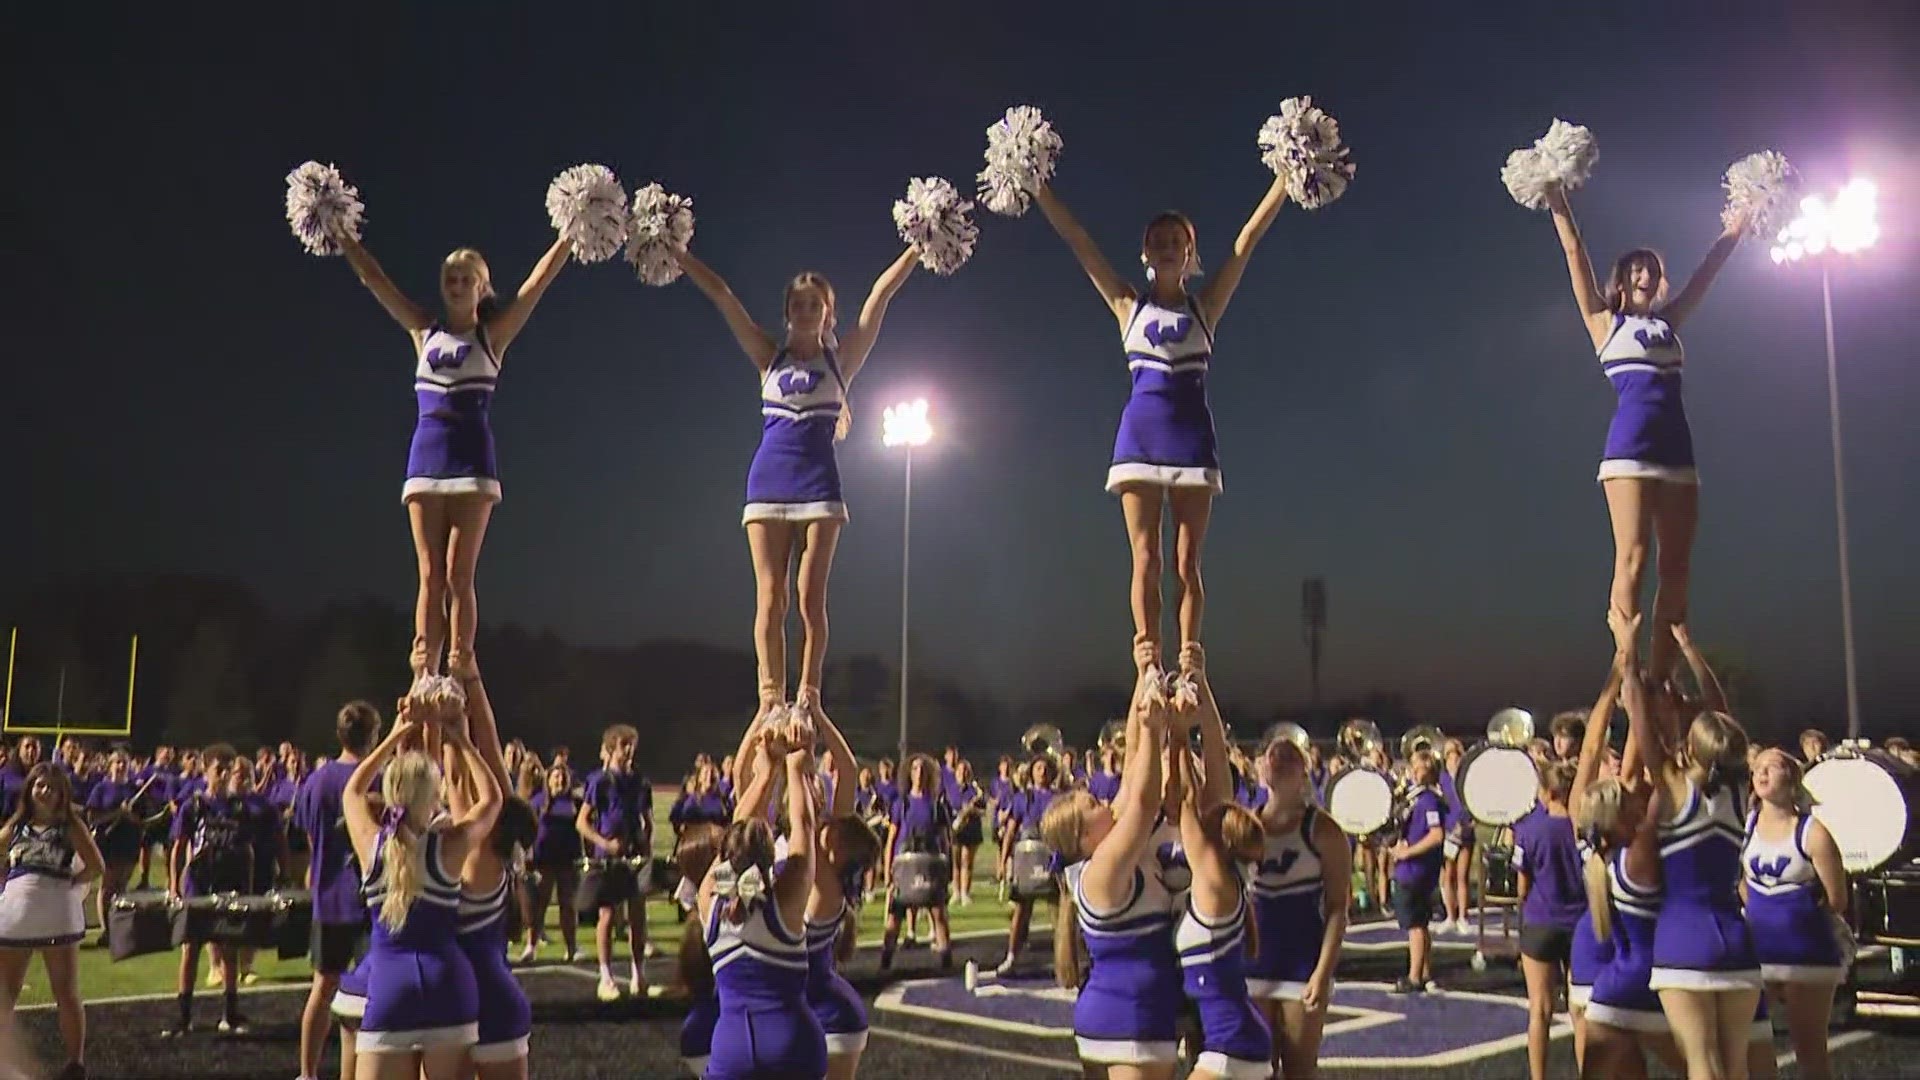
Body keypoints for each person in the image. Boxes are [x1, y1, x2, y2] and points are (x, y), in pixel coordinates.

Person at [1031, 177, 1289, 681]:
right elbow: (1079, 240)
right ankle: (1148, 658)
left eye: (1177, 241)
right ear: (1146, 252)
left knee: (1187, 563)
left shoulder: (1205, 306)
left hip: (1192, 438)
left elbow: (1248, 239)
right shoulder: (1128, 305)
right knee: (1145, 557)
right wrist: (1039, 189)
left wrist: (1285, 177)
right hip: (1139, 439)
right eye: (1159, 241)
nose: (1168, 247)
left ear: (1190, 252)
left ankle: (1190, 661)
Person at [673, 243, 922, 720]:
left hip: (819, 489)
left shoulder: (841, 361)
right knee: (771, 596)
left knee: (810, 598)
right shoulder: (768, 356)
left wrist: (917, 245)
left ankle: (807, 696)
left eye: (816, 304)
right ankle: (770, 698)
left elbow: (880, 296)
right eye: (799, 303)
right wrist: (679, 255)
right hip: (766, 485)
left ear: (828, 315)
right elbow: (723, 295)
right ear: (787, 312)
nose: (807, 310)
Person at [335, 232, 572, 680]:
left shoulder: (492, 336)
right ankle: (425, 663)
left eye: (466, 279)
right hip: (425, 463)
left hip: (472, 465)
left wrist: (569, 235)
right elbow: (376, 281)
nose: (457, 285)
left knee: (459, 573)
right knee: (430, 575)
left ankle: (461, 662)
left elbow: (536, 285)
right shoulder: (423, 331)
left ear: (482, 288)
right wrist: (343, 235)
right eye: (451, 278)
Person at [1541, 184, 1750, 680]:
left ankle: (1659, 678)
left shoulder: (1669, 322)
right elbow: (1574, 248)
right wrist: (1555, 195)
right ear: (1621, 278)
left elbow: (1707, 272)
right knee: (1633, 559)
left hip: (1678, 448)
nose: (1644, 273)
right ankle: (1626, 668)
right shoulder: (1602, 321)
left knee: (1677, 568)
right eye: (1636, 268)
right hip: (1629, 450)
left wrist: (1739, 223)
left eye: (1651, 269)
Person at [343, 679, 501, 1080]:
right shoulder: (448, 846)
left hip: (390, 986)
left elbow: (353, 790)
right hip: (449, 983)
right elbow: (492, 799)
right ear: (434, 797)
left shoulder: (371, 845)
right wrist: (457, 736)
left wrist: (398, 732)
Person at [1042, 653, 1183, 1078]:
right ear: (1085, 837)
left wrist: (1144, 677)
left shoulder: (1101, 854)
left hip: (1124, 1011)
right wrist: (1161, 727)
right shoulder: (1101, 869)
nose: (1105, 801)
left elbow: (1134, 763)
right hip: (1132, 1018)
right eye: (1094, 806)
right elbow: (1143, 798)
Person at [1648, 623, 1762, 1080]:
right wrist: (1691, 649)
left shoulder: (1675, 788)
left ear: (1692, 747)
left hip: (1682, 937)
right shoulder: (1738, 791)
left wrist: (1627, 664)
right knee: (1735, 1067)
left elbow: (1641, 719)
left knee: (1701, 1063)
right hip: (1736, 938)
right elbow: (1723, 717)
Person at [696, 724, 826, 1079]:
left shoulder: (710, 901)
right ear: (771, 858)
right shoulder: (785, 898)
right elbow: (803, 825)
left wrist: (764, 774)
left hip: (733, 1045)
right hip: (792, 1042)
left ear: (726, 854)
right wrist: (797, 765)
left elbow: (735, 833)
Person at [1170, 648, 1276, 1080]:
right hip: (1232, 1037)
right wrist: (1201, 682)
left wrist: (1176, 731)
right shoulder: (1228, 873)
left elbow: (1189, 802)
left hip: (1231, 1043)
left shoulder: (1215, 877)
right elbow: (1216, 753)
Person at [446, 667, 535, 1078]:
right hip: (494, 994)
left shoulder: (480, 853)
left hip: (468, 1001)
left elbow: (456, 778)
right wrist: (471, 679)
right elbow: (492, 766)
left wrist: (454, 719)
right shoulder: (501, 853)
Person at [1247, 723, 1349, 1079]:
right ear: (1259, 769)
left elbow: (1338, 907)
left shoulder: (1323, 830)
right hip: (1251, 967)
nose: (1278, 761)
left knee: (1299, 1070)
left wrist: (1322, 973)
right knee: (1254, 1069)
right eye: (1272, 755)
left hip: (1301, 968)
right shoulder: (1245, 825)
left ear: (1303, 772)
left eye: (1289, 757)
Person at [1744, 747, 1848, 1080]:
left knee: (1809, 1053)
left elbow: (1837, 898)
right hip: (1757, 953)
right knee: (1751, 1050)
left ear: (1791, 781)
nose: (1761, 774)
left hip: (1807, 957)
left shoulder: (1812, 832)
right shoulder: (1745, 826)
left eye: (1771, 768)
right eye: (1757, 768)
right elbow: (1739, 881)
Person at [0, 763, 106, 1080]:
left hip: (56, 918)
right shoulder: (16, 827)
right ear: (29, 790)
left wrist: (69, 885)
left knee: (66, 992)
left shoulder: (71, 827)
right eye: (39, 785)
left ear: (63, 794)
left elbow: (95, 866)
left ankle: (75, 1064)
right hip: (15, 919)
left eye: (53, 787)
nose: (45, 791)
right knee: (6, 992)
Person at [295, 701, 383, 1080]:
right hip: (368, 900)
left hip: (329, 895)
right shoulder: (377, 778)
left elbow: (310, 838)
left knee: (323, 987)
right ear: (374, 735)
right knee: (371, 996)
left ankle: (307, 1073)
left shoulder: (315, 781)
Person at [164, 745, 253, 1037]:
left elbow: (246, 849)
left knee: (229, 948)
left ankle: (230, 1012)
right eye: (219, 769)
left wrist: (247, 887)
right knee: (190, 949)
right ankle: (183, 1015)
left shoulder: (239, 807)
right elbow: (178, 848)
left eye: (229, 769)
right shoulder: (194, 805)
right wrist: (173, 883)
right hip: (198, 883)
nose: (225, 774)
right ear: (206, 770)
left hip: (228, 882)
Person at [1513, 760, 1589, 1080]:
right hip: (1581, 924)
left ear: (1548, 791)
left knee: (1539, 1010)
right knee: (1581, 1011)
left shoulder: (1529, 829)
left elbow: (1522, 886)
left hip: (1540, 922)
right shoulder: (1583, 827)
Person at [575, 724, 652, 1000]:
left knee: (638, 915)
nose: (629, 750)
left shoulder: (640, 781)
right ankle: (606, 977)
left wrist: (645, 839)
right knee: (607, 915)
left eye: (632, 744)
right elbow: (582, 822)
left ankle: (638, 973)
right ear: (611, 750)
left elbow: (647, 817)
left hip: (634, 856)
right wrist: (605, 843)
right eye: (623, 745)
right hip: (608, 857)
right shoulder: (600, 781)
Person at [880, 755, 954, 971]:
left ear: (929, 774)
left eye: (923, 769)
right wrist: (887, 872)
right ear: (909, 774)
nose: (919, 773)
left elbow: (945, 842)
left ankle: (945, 957)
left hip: (930, 866)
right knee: (894, 917)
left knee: (939, 914)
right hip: (904, 867)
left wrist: (947, 871)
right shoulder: (900, 805)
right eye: (915, 769)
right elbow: (891, 840)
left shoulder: (936, 807)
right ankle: (886, 959)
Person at [1388, 750, 1447, 993]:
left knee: (1415, 925)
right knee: (1420, 923)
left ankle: (1414, 976)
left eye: (1417, 768)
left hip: (1415, 870)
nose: (1412, 772)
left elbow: (1436, 835)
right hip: (1417, 869)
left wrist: (1408, 852)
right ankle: (1424, 971)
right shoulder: (1419, 799)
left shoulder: (1428, 801)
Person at [522, 761, 582, 964]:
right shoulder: (538, 802)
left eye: (564, 776)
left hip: (568, 861)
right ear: (548, 779)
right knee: (539, 905)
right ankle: (531, 946)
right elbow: (527, 832)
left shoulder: (576, 803)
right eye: (556, 776)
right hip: (544, 860)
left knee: (568, 905)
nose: (560, 780)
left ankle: (572, 948)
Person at [949, 760, 987, 907]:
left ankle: (965, 893)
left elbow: (983, 811)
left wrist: (972, 810)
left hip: (971, 828)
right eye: (960, 770)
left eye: (965, 771)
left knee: (967, 861)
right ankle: (956, 892)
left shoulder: (974, 791)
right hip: (956, 828)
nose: (962, 774)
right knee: (956, 861)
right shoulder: (951, 789)